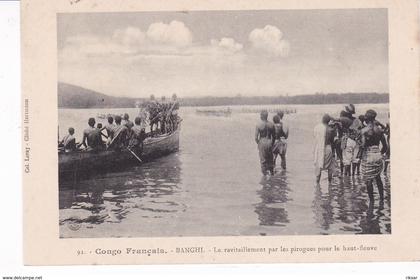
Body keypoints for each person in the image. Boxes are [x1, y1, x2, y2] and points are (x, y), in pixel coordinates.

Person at [360, 109, 388, 203]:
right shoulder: (379, 130)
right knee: (378, 178)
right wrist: (380, 153)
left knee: (368, 180)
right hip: (377, 155)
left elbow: (362, 145)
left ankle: (371, 203)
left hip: (368, 155)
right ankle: (381, 199)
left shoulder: (364, 130)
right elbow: (385, 147)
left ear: (366, 119)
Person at [314, 114, 336, 184]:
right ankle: (330, 183)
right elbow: (332, 141)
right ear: (329, 121)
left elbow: (315, 138)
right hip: (328, 148)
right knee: (330, 167)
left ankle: (317, 184)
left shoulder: (317, 127)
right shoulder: (331, 130)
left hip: (319, 148)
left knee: (319, 166)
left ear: (322, 120)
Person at [255, 110, 275, 176]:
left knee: (263, 161)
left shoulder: (258, 125)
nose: (260, 116)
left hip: (262, 142)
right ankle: (272, 177)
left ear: (262, 116)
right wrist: (271, 144)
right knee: (270, 161)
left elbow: (256, 138)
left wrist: (259, 143)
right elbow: (274, 136)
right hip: (269, 142)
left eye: (260, 115)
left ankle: (264, 178)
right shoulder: (271, 124)